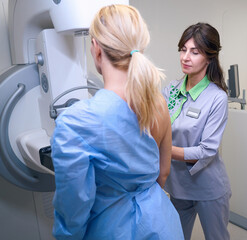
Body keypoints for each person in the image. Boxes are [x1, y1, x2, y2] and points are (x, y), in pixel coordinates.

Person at [51, 5, 183, 239]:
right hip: (162, 224)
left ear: (96, 49)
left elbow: (74, 208)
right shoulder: (159, 103)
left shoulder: (75, 122)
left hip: (113, 229)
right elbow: (163, 173)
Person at [162, 22, 232, 240]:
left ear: (209, 57)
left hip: (207, 187)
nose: (186, 57)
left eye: (195, 52)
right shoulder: (171, 90)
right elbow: (158, 126)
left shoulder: (216, 98)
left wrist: (165, 150)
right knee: (176, 236)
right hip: (178, 185)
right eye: (183, 50)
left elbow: (206, 151)